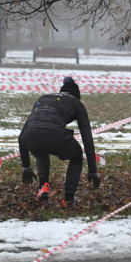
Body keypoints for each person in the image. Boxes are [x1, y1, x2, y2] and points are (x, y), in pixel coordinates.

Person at [18, 76, 100, 207]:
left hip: (31, 137)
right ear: (77, 96)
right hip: (55, 136)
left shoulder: (43, 98)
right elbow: (87, 138)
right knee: (77, 155)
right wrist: (92, 170)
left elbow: (22, 135)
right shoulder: (76, 103)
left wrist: (26, 166)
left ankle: (43, 186)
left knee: (40, 147)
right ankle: (68, 199)